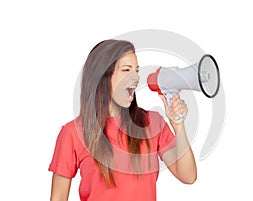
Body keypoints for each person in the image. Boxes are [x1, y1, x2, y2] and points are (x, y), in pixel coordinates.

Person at [49, 39, 197, 201]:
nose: (135, 77)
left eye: (136, 70)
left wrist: (178, 126)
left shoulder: (153, 123)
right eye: (126, 70)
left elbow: (188, 176)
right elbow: (58, 198)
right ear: (102, 76)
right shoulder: (72, 133)